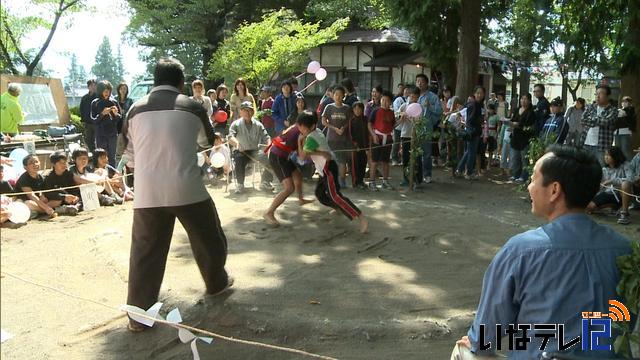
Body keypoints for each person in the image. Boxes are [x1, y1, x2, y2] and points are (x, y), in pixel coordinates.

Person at [456, 145, 631, 360]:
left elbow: (486, 336)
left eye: (533, 179)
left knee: (464, 351)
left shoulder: (520, 251)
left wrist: (476, 341)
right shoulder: (624, 249)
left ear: (554, 190)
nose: (529, 187)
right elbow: (625, 323)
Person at [121, 58, 232, 332]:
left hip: (147, 193)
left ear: (155, 80)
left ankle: (138, 317)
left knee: (145, 255)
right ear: (181, 82)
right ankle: (216, 283)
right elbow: (207, 145)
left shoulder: (134, 110)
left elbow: (128, 156)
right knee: (209, 236)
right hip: (187, 188)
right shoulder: (192, 106)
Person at [297, 110, 368, 234]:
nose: (300, 130)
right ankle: (338, 208)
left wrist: (299, 141)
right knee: (320, 194)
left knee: (334, 195)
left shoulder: (311, 138)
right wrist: (320, 153)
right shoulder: (317, 131)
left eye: (302, 128)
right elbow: (315, 152)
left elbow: (303, 156)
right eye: (299, 127)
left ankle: (360, 216)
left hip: (328, 167)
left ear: (312, 126)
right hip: (324, 168)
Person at [263, 120, 314, 226]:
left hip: (282, 155)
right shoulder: (301, 133)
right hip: (277, 156)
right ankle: (269, 212)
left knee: (298, 175)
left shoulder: (296, 127)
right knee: (289, 188)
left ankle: (300, 199)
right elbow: (301, 157)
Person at [228, 101, 273, 193]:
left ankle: (265, 182)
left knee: (269, 158)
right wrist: (237, 144)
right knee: (239, 159)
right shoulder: (235, 124)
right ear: (241, 112)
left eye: (250, 110)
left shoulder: (258, 125)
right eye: (245, 110)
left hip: (254, 152)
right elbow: (230, 137)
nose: (248, 113)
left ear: (253, 112)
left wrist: (269, 147)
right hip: (241, 151)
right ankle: (240, 184)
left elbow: (267, 137)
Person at [322, 85, 353, 188]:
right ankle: (331, 181)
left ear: (344, 96)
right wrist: (334, 128)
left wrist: (343, 128)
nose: (338, 97)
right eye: (336, 95)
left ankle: (342, 181)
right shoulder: (329, 107)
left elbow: (350, 121)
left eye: (341, 95)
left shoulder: (347, 108)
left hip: (343, 139)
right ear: (333, 95)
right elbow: (323, 121)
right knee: (330, 161)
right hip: (331, 138)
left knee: (342, 161)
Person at [586, 146, 631, 216]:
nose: (606, 157)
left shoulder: (625, 165)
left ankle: (624, 212)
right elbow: (600, 187)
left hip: (620, 193)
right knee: (589, 207)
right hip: (608, 193)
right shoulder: (604, 169)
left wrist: (611, 181)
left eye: (608, 155)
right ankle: (612, 207)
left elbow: (630, 179)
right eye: (605, 155)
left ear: (615, 156)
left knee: (625, 184)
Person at [581, 85, 617, 167]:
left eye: (600, 94)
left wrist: (592, 120)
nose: (597, 96)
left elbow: (606, 122)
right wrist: (598, 120)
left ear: (608, 96)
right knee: (585, 169)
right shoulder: (590, 107)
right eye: (596, 94)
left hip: (602, 147)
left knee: (601, 170)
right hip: (586, 144)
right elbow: (583, 120)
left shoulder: (613, 110)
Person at [416, 74, 443, 183]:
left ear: (426, 83)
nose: (419, 83)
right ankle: (416, 174)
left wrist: (430, 107)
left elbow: (439, 112)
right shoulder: (413, 96)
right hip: (414, 129)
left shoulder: (433, 97)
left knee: (426, 153)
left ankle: (427, 174)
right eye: (417, 81)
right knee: (415, 152)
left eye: (421, 81)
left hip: (427, 128)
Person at [455, 86, 485, 180]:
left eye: (481, 93)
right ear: (474, 94)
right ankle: (468, 172)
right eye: (477, 93)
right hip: (473, 131)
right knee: (471, 152)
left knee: (469, 151)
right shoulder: (474, 104)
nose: (479, 95)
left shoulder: (477, 104)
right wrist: (481, 120)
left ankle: (459, 170)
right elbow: (471, 120)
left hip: (472, 131)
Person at [91, 80, 121, 168]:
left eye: (108, 90)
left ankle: (112, 175)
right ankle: (101, 175)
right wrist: (102, 114)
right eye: (105, 90)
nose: (107, 92)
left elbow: (118, 119)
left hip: (112, 134)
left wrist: (116, 114)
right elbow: (93, 119)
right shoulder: (95, 102)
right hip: (100, 134)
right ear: (100, 91)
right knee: (101, 156)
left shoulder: (114, 102)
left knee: (112, 157)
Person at [368, 91, 395, 190]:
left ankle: (385, 181)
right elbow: (369, 124)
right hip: (377, 138)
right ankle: (371, 182)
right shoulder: (375, 111)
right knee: (374, 161)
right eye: (383, 100)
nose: (384, 102)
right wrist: (373, 135)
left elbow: (392, 126)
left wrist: (401, 121)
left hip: (388, 139)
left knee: (386, 161)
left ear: (390, 102)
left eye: (387, 101)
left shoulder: (391, 113)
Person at [396, 87, 422, 187]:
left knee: (416, 158)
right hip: (405, 134)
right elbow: (396, 115)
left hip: (416, 135)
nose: (413, 99)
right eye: (412, 96)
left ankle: (417, 179)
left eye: (416, 97)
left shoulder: (419, 107)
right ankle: (406, 178)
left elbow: (420, 121)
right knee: (406, 157)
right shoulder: (403, 106)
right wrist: (401, 116)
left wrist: (413, 118)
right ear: (409, 95)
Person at [42, 151, 83, 215]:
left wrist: (75, 196)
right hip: (57, 200)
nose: (64, 165)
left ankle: (75, 207)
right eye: (60, 163)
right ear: (53, 164)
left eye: (65, 162)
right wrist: (64, 197)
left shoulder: (68, 174)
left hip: (70, 199)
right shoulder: (48, 177)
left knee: (81, 195)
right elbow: (48, 193)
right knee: (57, 201)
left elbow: (73, 188)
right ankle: (63, 209)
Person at [509, 93, 536, 183]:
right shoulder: (517, 109)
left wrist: (519, 125)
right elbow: (512, 120)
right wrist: (511, 125)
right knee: (514, 157)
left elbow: (530, 125)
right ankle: (515, 174)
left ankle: (523, 176)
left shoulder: (531, 112)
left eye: (525, 99)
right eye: (522, 99)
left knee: (524, 158)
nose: (523, 101)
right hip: (515, 136)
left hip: (524, 138)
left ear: (529, 101)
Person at [349, 102, 369, 189]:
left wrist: (367, 146)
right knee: (355, 165)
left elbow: (367, 133)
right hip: (355, 147)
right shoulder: (351, 120)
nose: (357, 111)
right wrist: (354, 144)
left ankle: (361, 181)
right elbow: (350, 134)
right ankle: (355, 182)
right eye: (355, 109)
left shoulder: (365, 119)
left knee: (363, 163)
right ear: (353, 110)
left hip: (364, 146)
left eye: (359, 109)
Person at [618, 147, 640, 224]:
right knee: (625, 184)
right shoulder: (638, 156)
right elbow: (631, 170)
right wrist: (634, 178)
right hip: (637, 185)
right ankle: (624, 213)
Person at [392, 86, 411, 166]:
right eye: (406, 90)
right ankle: (394, 158)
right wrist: (402, 115)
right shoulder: (399, 100)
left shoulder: (411, 101)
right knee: (396, 142)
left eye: (409, 91)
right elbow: (396, 112)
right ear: (403, 91)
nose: (407, 92)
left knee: (405, 144)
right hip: (399, 125)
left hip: (407, 126)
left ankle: (404, 159)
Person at [614, 96, 636, 160]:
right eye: (623, 101)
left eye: (626, 101)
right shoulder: (619, 110)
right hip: (617, 132)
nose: (624, 103)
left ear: (630, 103)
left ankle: (630, 165)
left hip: (625, 132)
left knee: (625, 150)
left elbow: (631, 121)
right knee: (618, 151)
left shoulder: (631, 110)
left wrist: (624, 114)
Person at [80, 79, 98, 151]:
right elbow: (82, 109)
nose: (93, 87)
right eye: (91, 85)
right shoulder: (84, 98)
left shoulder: (99, 97)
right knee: (88, 140)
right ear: (88, 87)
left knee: (98, 139)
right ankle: (93, 153)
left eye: (94, 85)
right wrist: (83, 120)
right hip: (87, 122)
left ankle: (98, 154)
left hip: (96, 122)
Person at [485, 103, 500, 169]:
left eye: (491, 109)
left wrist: (497, 133)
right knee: (484, 148)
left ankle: (489, 164)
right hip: (485, 133)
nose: (489, 110)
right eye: (488, 109)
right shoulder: (486, 116)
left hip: (493, 133)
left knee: (490, 149)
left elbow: (499, 125)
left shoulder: (496, 116)